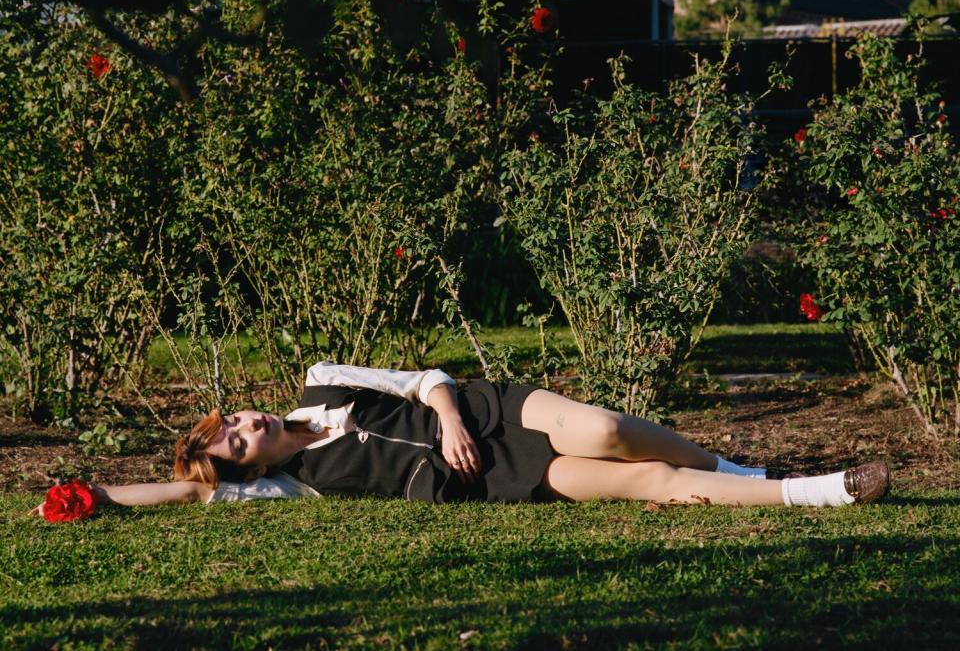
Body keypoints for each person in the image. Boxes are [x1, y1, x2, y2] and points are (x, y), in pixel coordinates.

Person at [30, 362, 890, 514]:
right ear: (248, 466)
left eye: (238, 419)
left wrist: (448, 418)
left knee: (607, 428)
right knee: (649, 486)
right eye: (239, 443)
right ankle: (818, 490)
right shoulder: (300, 484)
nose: (249, 427)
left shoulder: (321, 381)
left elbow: (420, 379)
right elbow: (188, 489)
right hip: (497, 482)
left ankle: (739, 465)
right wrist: (98, 494)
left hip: (488, 414)